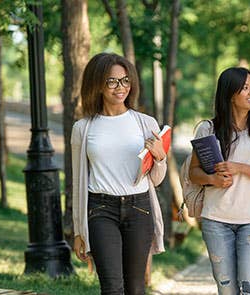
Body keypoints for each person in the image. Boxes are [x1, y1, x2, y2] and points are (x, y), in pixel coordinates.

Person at [71, 53, 167, 295]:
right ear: (97, 84)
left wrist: (160, 157)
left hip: (139, 208)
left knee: (135, 287)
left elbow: (156, 179)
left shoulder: (146, 123)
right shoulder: (83, 129)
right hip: (100, 209)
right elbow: (78, 181)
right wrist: (78, 231)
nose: (120, 87)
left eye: (125, 80)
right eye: (112, 81)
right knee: (112, 287)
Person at [188, 67, 250, 294]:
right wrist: (213, 179)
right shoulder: (207, 129)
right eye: (245, 88)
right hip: (216, 219)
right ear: (230, 94)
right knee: (226, 288)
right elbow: (193, 173)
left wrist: (239, 168)